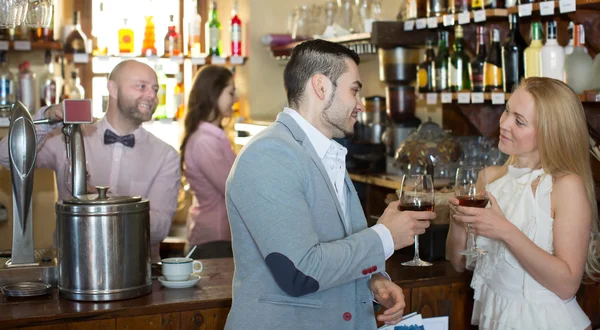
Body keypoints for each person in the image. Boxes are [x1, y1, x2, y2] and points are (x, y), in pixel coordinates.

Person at [224, 39, 436, 329]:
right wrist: (385, 236)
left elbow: (339, 247)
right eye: (355, 90)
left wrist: (372, 280)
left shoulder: (326, 151)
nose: (361, 105)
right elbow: (301, 272)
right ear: (321, 87)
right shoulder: (269, 155)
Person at [446, 77, 600, 330]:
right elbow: (458, 262)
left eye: (519, 121)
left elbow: (567, 284)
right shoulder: (489, 178)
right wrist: (458, 221)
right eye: (507, 110)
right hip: (496, 319)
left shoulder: (565, 186)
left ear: (550, 133)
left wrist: (504, 230)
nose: (504, 124)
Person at [0, 60, 181, 263]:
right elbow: (8, 157)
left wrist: (103, 203)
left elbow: (159, 228)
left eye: (155, 89)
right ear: (112, 88)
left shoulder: (166, 155)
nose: (152, 96)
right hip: (70, 265)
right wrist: (47, 117)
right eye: (142, 86)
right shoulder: (68, 135)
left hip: (135, 270)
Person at [180, 66, 237, 259]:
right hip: (214, 238)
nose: (235, 99)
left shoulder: (212, 137)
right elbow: (233, 189)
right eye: (231, 92)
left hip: (216, 236)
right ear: (214, 93)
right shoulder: (206, 141)